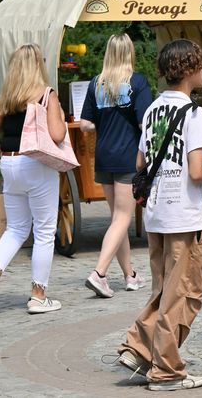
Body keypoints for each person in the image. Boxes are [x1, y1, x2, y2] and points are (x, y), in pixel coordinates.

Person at [115, 39, 202, 391]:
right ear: (190, 70)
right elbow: (196, 171)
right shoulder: (195, 114)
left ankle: (138, 347)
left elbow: (140, 164)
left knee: (165, 291)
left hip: (157, 214)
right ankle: (166, 371)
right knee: (185, 295)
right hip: (184, 215)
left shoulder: (152, 111)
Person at [0, 43, 66, 315]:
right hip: (36, 164)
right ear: (38, 66)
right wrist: (58, 114)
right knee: (45, 231)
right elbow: (58, 135)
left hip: (10, 163)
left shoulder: (8, 98)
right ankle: (38, 295)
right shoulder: (46, 95)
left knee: (15, 228)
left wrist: (2, 154)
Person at [79, 33, 153, 298]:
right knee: (123, 217)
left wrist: (104, 120)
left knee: (117, 220)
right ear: (129, 53)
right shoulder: (137, 82)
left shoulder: (95, 84)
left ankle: (130, 276)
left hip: (103, 156)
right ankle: (99, 273)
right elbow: (146, 121)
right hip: (127, 156)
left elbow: (85, 123)